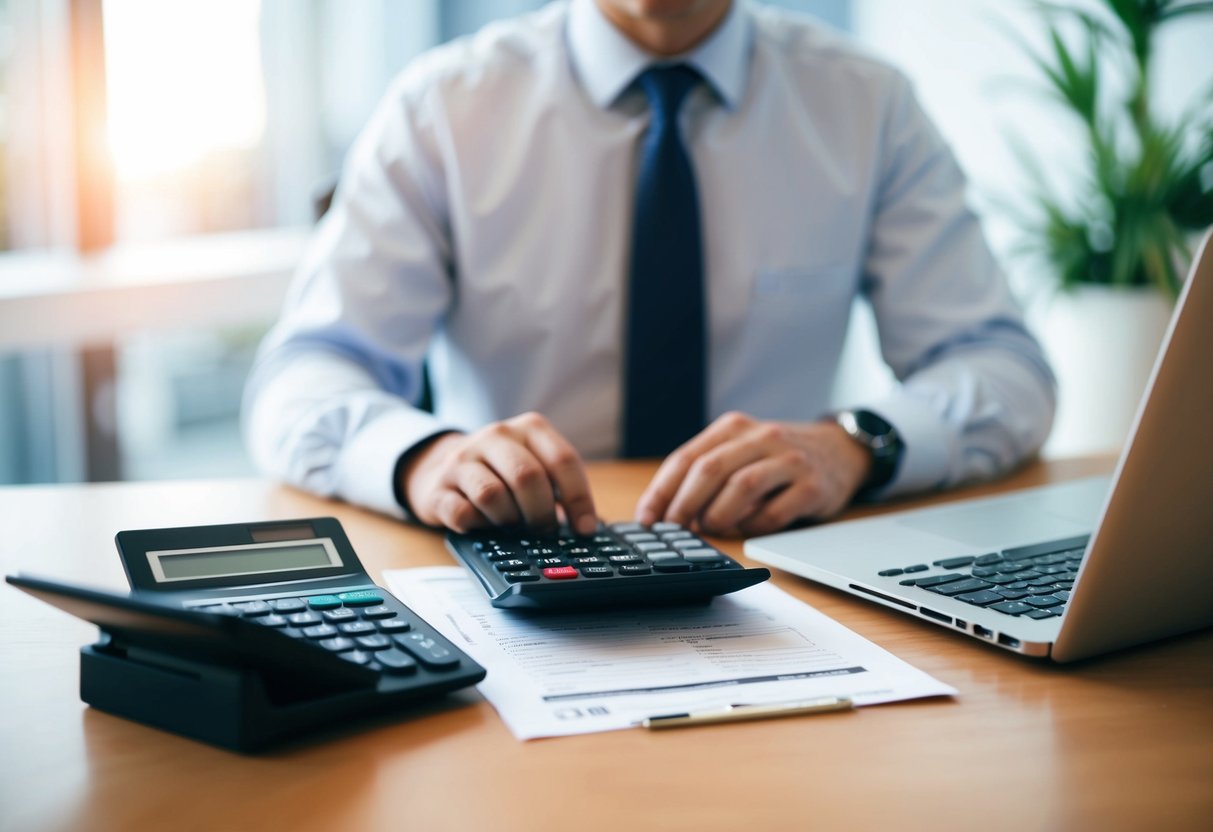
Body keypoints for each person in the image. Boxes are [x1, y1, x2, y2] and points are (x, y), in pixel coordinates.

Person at [243, 0, 1055, 539]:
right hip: (515, 573)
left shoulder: (865, 104)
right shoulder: (442, 107)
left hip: (777, 573)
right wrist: (424, 460)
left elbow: (1003, 369)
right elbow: (303, 379)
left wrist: (856, 445)